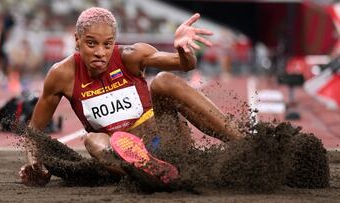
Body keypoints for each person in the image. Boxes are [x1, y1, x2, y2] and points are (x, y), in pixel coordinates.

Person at [19, 7, 243, 187]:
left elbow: (185, 65)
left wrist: (183, 49)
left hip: (165, 140)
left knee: (164, 80)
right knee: (92, 140)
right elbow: (33, 133)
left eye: (107, 44)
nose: (100, 52)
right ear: (77, 40)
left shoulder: (130, 55)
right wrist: (37, 165)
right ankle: (149, 172)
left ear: (114, 41)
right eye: (91, 43)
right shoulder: (61, 75)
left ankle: (244, 144)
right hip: (121, 160)